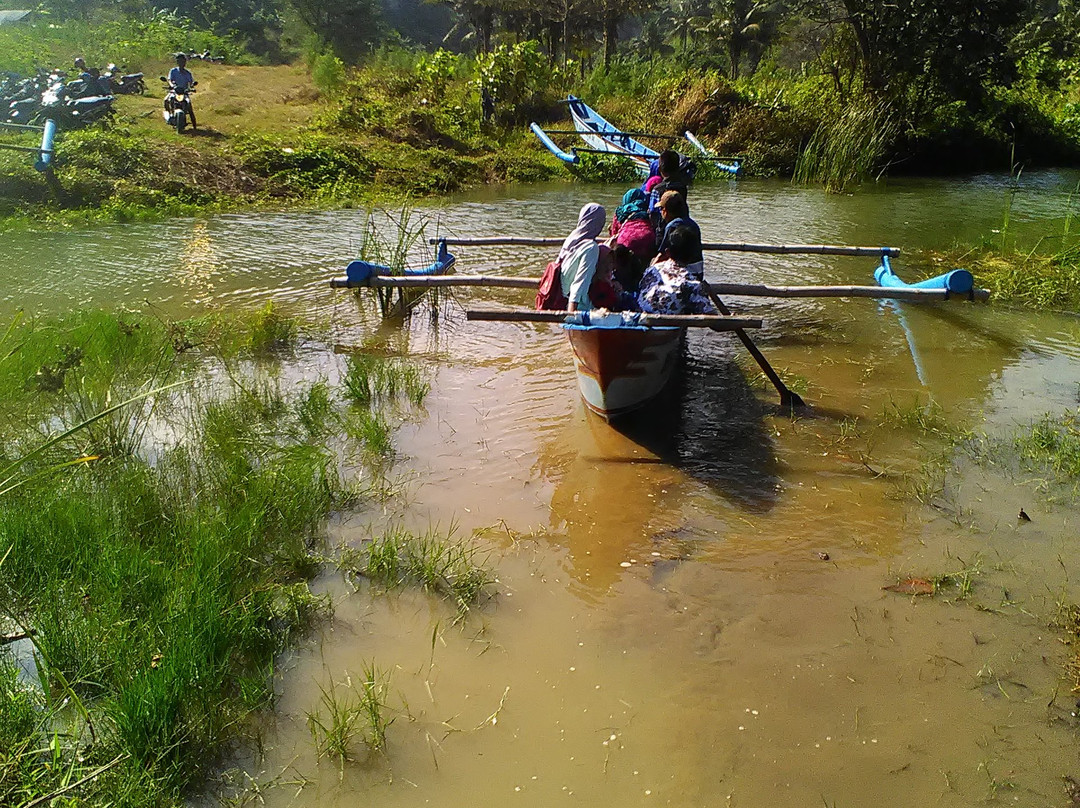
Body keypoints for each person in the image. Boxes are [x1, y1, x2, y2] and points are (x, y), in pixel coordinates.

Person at [637, 224, 716, 316]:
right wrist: (729, 319)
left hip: (640, 321)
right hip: (667, 327)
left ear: (668, 252)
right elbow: (710, 319)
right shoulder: (692, 283)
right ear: (693, 255)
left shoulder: (652, 270)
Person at [558, 203, 606, 312]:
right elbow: (580, 282)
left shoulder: (572, 239)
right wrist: (572, 314)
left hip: (564, 297)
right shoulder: (591, 248)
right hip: (580, 306)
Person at [654, 190, 704, 278]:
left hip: (682, 272)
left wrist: (652, 267)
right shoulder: (693, 224)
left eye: (661, 209)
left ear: (665, 210)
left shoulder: (672, 226)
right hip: (698, 271)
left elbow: (663, 253)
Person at [609, 188, 656, 264]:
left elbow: (614, 234)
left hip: (626, 241)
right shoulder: (647, 209)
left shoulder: (620, 211)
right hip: (648, 241)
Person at [648, 149, 693, 220]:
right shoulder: (682, 187)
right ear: (678, 168)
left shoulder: (657, 189)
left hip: (663, 227)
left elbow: (653, 212)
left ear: (659, 169)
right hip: (681, 223)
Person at [166, 53, 197, 129]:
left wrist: (192, 86)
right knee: (166, 100)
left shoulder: (188, 73)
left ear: (185, 62)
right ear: (177, 62)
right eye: (179, 61)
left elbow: (191, 82)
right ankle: (170, 115)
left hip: (184, 92)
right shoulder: (173, 71)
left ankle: (194, 124)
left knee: (188, 105)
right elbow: (170, 79)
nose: (181, 63)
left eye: (183, 61)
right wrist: (172, 85)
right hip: (175, 91)